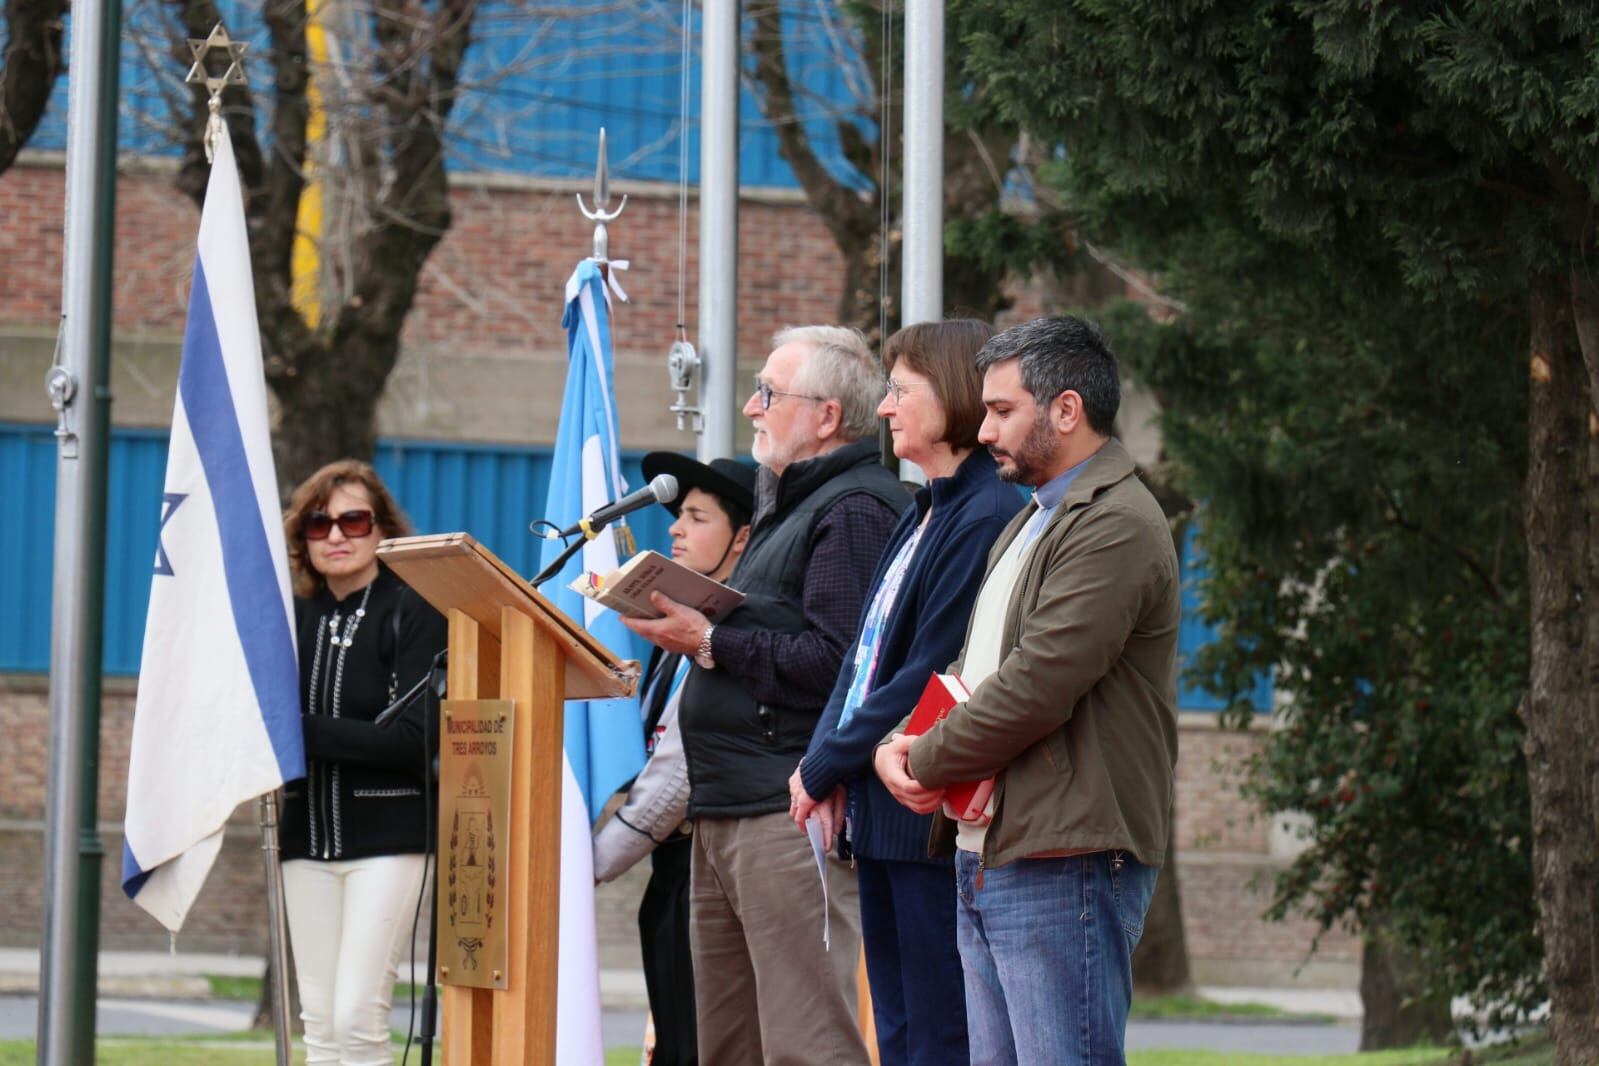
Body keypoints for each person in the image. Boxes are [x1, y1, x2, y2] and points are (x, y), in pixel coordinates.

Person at [875, 315, 1181, 1066]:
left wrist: (921, 761)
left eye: (1002, 411)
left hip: (1065, 854)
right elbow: (968, 670)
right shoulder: (1034, 521)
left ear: (1066, 410)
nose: (983, 431)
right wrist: (895, 742)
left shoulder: (1115, 523)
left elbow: (1037, 685)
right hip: (998, 846)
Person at [623, 325, 907, 1065]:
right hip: (723, 804)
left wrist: (707, 641)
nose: (751, 408)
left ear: (826, 417)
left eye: (769, 394)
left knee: (803, 1042)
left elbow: (839, 662)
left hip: (783, 809)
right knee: (727, 1044)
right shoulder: (786, 504)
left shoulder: (852, 509)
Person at [787, 319, 1023, 1065]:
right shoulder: (923, 508)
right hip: (879, 808)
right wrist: (822, 763)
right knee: (895, 1028)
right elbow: (863, 655)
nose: (885, 408)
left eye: (899, 391)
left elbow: (923, 669)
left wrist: (823, 767)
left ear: (952, 394)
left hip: (924, 813)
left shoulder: (983, 512)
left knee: (937, 1032)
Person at [278, 459, 447, 1066]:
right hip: (304, 838)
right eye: (319, 524)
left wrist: (298, 733)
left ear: (381, 529)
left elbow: (413, 740)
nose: (336, 536)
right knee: (319, 1025)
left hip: (389, 839)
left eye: (353, 519)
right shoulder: (292, 617)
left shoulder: (414, 608)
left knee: (356, 1018)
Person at [592, 452, 755, 1066]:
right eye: (676, 515)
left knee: (694, 1043)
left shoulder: (724, 630)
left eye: (696, 516)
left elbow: (676, 775)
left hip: (702, 861)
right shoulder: (671, 632)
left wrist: (594, 862)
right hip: (669, 872)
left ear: (742, 536)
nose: (675, 530)